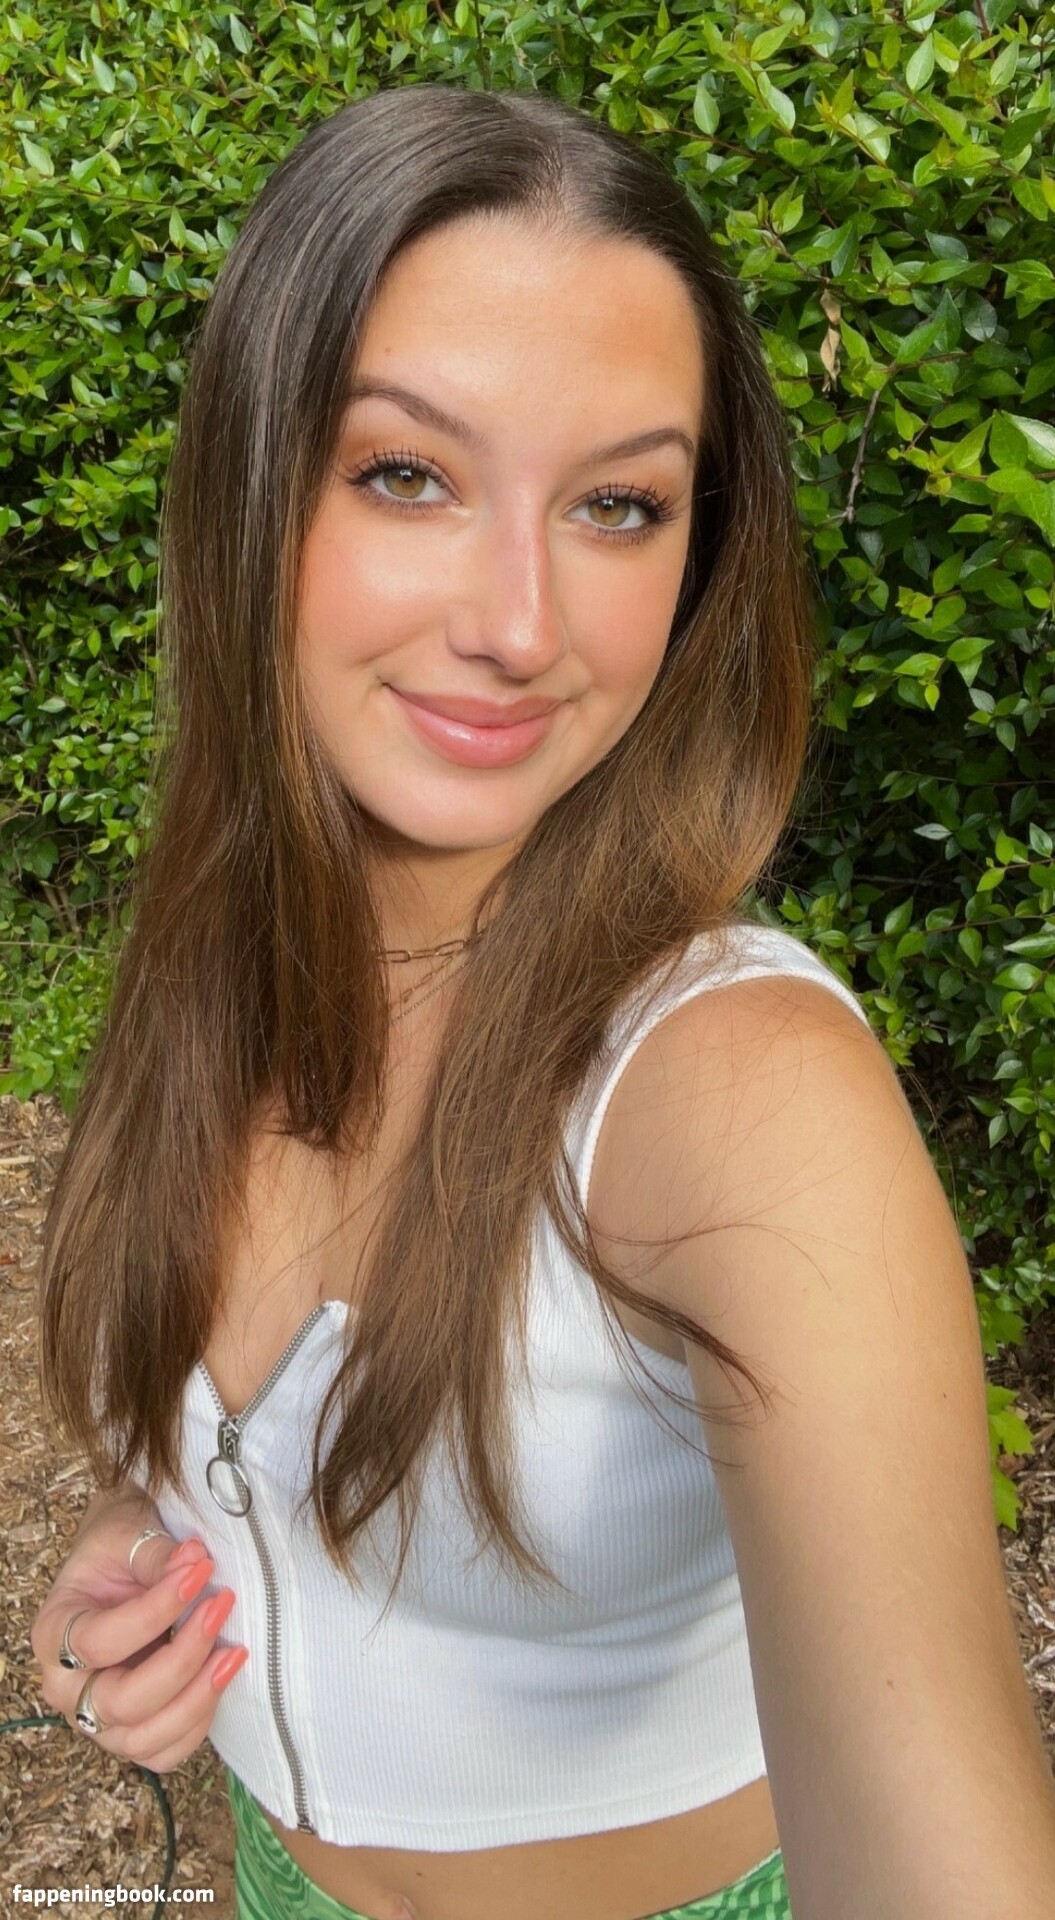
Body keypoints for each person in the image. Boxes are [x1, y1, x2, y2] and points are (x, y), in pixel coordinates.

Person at [28, 81, 1055, 1920]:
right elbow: (249, 1453)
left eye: (618, 505)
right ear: (249, 487)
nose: (520, 623)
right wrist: (155, 1556)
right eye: (406, 473)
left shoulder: (737, 1091)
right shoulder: (212, 979)